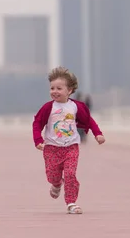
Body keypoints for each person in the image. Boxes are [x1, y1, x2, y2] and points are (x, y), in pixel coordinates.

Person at [32, 66, 106, 214]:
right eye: (52, 88)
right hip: (52, 148)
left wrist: (97, 133)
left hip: (71, 147)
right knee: (53, 175)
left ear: (69, 90)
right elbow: (37, 123)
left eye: (59, 88)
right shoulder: (48, 108)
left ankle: (71, 203)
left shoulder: (76, 106)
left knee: (70, 174)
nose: (54, 91)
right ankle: (56, 184)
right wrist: (38, 140)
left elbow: (89, 120)